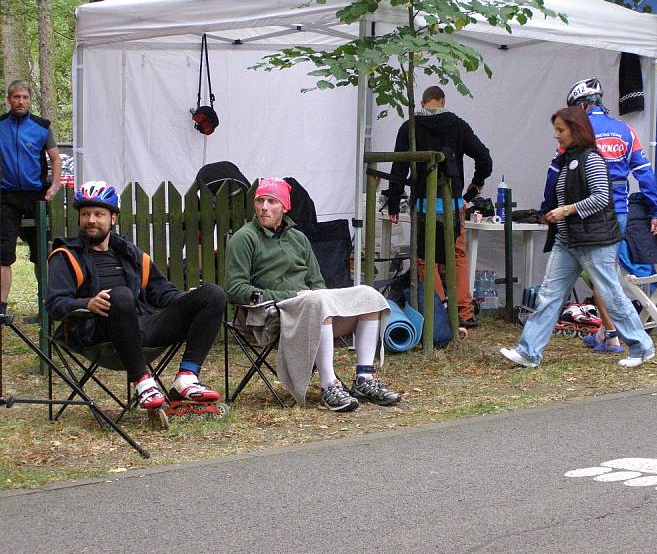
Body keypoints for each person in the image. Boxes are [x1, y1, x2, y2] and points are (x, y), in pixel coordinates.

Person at [225, 177, 401, 412]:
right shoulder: (244, 238)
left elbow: (317, 284)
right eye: (260, 201)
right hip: (268, 316)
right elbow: (235, 289)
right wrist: (291, 295)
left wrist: (310, 297)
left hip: (310, 309)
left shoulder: (298, 238)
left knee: (368, 296)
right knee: (316, 301)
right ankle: (329, 385)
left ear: (285, 207)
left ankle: (364, 379)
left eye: (271, 201)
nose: (264, 207)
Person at [45, 181, 226, 410]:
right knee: (120, 296)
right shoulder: (65, 255)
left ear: (113, 219)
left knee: (212, 294)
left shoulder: (131, 254)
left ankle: (187, 378)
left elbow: (162, 293)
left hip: (143, 327)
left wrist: (186, 298)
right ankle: (143, 382)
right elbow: (54, 304)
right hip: (98, 335)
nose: (91, 220)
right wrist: (88, 303)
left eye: (99, 214)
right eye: (85, 214)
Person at [501, 106, 655, 369]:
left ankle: (641, 347)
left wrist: (567, 210)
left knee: (611, 293)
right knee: (550, 295)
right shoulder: (568, 160)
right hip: (568, 239)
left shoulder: (591, 159)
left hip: (595, 240)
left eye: (560, 130)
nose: (556, 136)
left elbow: (601, 197)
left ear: (576, 130)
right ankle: (528, 352)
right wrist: (556, 214)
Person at [544, 77, 657, 353]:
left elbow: (555, 174)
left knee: (599, 275)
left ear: (581, 106)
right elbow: (645, 173)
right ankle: (606, 332)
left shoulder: (577, 132)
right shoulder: (625, 130)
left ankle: (614, 335)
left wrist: (547, 206)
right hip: (620, 210)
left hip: (584, 211)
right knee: (605, 271)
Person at [388, 85, 492, 329]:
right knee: (456, 256)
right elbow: (484, 157)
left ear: (423, 103)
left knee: (426, 260)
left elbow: (398, 166)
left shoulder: (410, 127)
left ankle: (439, 312)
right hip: (453, 205)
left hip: (424, 207)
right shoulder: (457, 125)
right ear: (442, 101)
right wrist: (475, 186)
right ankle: (465, 312)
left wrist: (394, 200)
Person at [1, 80, 61, 323]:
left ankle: (45, 307)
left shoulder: (42, 127)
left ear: (30, 100)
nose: (21, 101)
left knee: (40, 253)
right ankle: (2, 308)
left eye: (25, 97)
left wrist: (55, 185)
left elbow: (56, 159)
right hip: (5, 197)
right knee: (3, 253)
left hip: (35, 195)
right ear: (9, 99)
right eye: (16, 97)